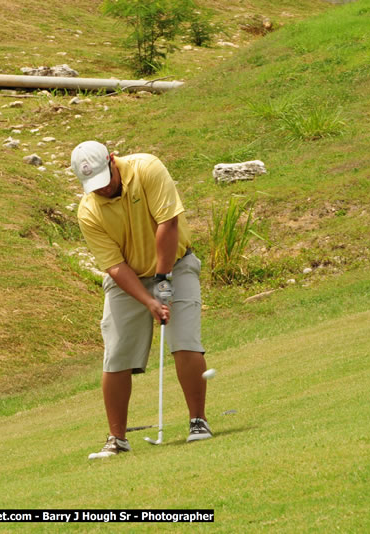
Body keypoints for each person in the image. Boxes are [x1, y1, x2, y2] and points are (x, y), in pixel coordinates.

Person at [70, 140, 213, 460]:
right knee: (117, 354)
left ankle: (198, 421)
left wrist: (163, 280)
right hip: (127, 279)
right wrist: (148, 301)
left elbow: (168, 223)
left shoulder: (147, 168)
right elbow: (114, 265)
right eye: (94, 186)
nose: (103, 189)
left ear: (112, 160)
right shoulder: (88, 211)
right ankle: (117, 438)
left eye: (105, 180)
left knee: (184, 341)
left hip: (176, 264)